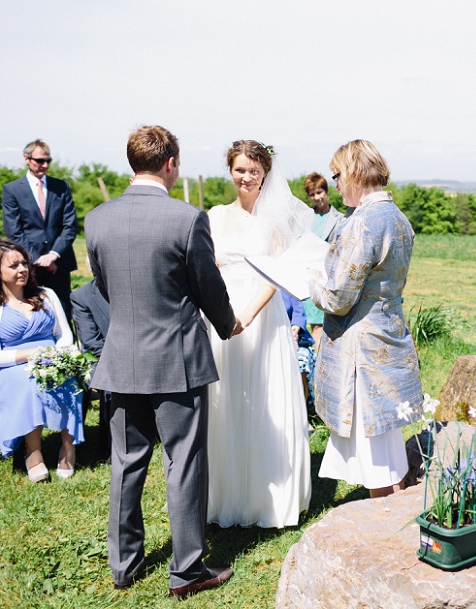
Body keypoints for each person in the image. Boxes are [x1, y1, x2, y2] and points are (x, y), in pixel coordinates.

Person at [85, 125, 240, 599]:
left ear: (132, 163)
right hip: (177, 361)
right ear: (171, 163)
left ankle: (123, 566)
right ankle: (187, 570)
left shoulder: (97, 219)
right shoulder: (187, 218)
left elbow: (105, 287)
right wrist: (226, 322)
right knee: (185, 462)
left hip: (120, 359)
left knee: (126, 463)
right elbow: (206, 286)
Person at [205, 140, 311, 528]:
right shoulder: (215, 215)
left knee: (266, 397)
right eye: (239, 169)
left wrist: (245, 316)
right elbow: (208, 265)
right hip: (221, 313)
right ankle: (228, 493)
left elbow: (277, 275)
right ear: (229, 171)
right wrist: (221, 313)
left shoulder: (275, 220)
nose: (246, 177)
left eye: (253, 170)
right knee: (227, 400)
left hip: (261, 317)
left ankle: (267, 496)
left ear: (265, 173)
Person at [309, 140, 422, 498]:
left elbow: (338, 298)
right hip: (390, 334)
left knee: (374, 456)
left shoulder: (361, 224)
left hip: (363, 350)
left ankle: (382, 531)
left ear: (356, 172)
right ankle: (394, 514)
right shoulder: (398, 217)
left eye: (338, 175)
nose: (336, 183)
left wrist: (310, 281)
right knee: (388, 446)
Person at [0, 238, 84, 481]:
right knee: (28, 383)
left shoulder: (46, 295)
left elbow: (64, 333)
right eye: (13, 266)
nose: (22, 269)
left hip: (53, 358)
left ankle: (68, 449)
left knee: (70, 381)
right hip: (13, 365)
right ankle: (32, 451)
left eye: (24, 263)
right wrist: (30, 356)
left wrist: (61, 355)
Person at [1, 140, 79, 320]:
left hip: (58, 264)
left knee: (64, 313)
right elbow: (13, 229)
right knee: (33, 311)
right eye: (39, 160)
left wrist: (53, 255)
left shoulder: (61, 187)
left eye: (47, 161)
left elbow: (70, 225)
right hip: (28, 265)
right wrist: (37, 259)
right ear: (27, 159)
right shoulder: (12, 189)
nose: (44, 165)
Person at [70, 276, 113, 460]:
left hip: (144, 351)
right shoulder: (82, 296)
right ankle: (108, 449)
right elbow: (92, 342)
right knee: (111, 380)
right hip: (103, 357)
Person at [301, 172, 344, 346]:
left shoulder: (340, 219)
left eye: (319, 192)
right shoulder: (305, 218)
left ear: (326, 192)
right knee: (308, 326)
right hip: (307, 277)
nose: (316, 197)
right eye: (312, 194)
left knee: (323, 327)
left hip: (327, 278)